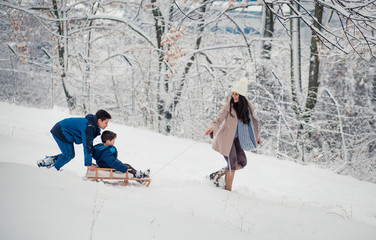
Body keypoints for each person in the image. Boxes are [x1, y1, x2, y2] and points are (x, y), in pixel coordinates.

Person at [205, 78, 260, 191]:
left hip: (237, 140)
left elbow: (250, 126)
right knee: (233, 161)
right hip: (226, 139)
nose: (234, 96)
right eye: (233, 94)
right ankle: (227, 189)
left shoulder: (247, 109)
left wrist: (255, 137)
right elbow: (219, 119)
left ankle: (216, 175)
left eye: (237, 94)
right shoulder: (229, 106)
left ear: (242, 96)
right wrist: (212, 128)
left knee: (243, 162)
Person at [37, 109, 112, 171]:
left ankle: (49, 161)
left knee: (69, 154)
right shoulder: (89, 127)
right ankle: (53, 170)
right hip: (61, 131)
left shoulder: (92, 126)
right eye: (106, 122)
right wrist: (88, 164)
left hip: (64, 131)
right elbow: (87, 146)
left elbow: (89, 145)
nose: (107, 125)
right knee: (68, 155)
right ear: (99, 120)